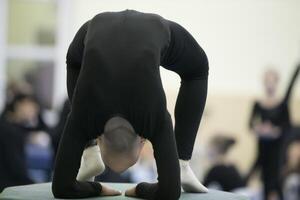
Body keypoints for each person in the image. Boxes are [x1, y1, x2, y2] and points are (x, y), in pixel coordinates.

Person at [52, 9, 209, 199]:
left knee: (198, 69)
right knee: (198, 68)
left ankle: (90, 153)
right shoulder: (86, 117)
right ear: (143, 138)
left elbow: (169, 192)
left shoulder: (151, 119)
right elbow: (62, 188)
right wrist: (133, 190)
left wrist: (100, 189)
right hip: (100, 28)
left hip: (108, 27)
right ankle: (182, 164)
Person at [247, 65, 300, 200]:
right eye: (267, 81)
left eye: (272, 81)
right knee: (263, 181)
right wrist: (259, 128)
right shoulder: (258, 103)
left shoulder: (282, 105)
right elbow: (250, 124)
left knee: (275, 181)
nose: (269, 84)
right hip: (262, 147)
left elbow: (288, 127)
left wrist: (275, 130)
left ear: (276, 82)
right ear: (264, 83)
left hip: (277, 149)